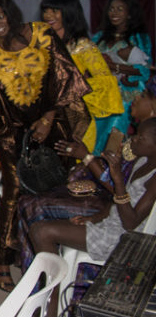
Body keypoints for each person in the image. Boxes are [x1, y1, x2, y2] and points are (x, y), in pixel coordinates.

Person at [0, 0, 89, 292]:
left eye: (0, 16)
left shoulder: (42, 35)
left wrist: (47, 118)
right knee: (14, 191)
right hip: (12, 132)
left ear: (10, 13)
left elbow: (65, 79)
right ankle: (2, 259)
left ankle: (39, 249)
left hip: (53, 125)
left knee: (52, 185)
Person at [29, 118, 156, 317]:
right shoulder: (143, 161)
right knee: (41, 227)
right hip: (111, 225)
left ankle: (50, 307)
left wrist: (117, 179)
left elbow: (131, 223)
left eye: (141, 138)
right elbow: (117, 202)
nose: (134, 139)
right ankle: (51, 297)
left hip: (123, 239)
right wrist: (95, 218)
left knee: (41, 231)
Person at [41, 0, 122, 152]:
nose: (48, 15)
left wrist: (74, 89)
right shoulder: (43, 44)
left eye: (54, 10)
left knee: (73, 168)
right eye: (45, 10)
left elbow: (106, 84)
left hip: (77, 121)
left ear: (68, 12)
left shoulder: (82, 46)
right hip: (46, 118)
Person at [93, 0, 151, 152]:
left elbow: (145, 70)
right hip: (100, 96)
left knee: (113, 140)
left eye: (120, 9)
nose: (114, 13)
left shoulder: (138, 37)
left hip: (123, 97)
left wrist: (116, 68)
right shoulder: (99, 37)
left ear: (130, 13)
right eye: (111, 9)